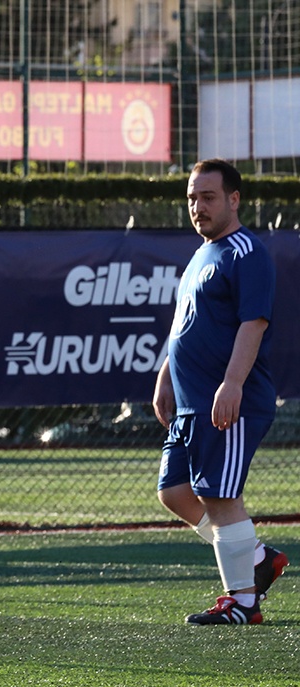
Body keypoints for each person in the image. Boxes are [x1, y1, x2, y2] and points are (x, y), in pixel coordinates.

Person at [153, 158, 288, 625]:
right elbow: (185, 326)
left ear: (234, 199)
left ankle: (243, 601)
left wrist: (231, 384)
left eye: (208, 197)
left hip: (230, 402)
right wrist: (165, 375)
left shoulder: (246, 252)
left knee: (219, 498)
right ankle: (256, 557)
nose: (198, 206)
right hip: (191, 403)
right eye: (192, 198)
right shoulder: (200, 255)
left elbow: (254, 323)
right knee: (174, 492)